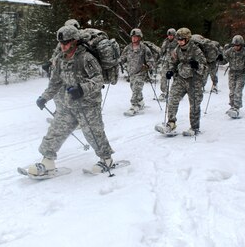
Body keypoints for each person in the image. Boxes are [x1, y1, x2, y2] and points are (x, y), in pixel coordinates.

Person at [27, 25, 115, 176]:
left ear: (75, 42)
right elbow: (55, 82)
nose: (63, 46)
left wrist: (82, 89)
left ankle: (106, 159)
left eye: (66, 42)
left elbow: (98, 80)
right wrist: (44, 97)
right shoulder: (60, 59)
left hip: (88, 104)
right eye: (61, 43)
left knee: (93, 133)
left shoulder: (86, 57)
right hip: (69, 104)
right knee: (55, 131)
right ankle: (47, 162)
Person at [157, 27, 206, 136]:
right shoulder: (177, 50)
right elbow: (173, 62)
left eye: (182, 39)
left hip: (194, 80)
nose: (179, 41)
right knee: (173, 99)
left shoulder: (196, 50)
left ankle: (194, 127)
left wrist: (197, 65)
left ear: (187, 39)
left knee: (194, 104)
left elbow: (205, 67)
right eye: (178, 39)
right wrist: (170, 71)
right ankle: (171, 123)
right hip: (180, 79)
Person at [217, 35, 245, 118]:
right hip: (232, 73)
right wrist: (219, 59)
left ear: (241, 45)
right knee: (232, 91)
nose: (236, 47)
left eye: (238, 45)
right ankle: (232, 106)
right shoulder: (229, 51)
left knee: (238, 90)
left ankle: (236, 107)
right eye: (234, 45)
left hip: (242, 73)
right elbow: (224, 61)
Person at [119, 28, 154, 116]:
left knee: (136, 88)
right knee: (133, 88)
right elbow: (123, 58)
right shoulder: (128, 48)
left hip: (140, 72)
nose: (134, 38)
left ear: (139, 37)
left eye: (136, 37)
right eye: (133, 37)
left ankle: (134, 106)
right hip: (131, 73)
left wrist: (147, 66)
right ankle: (140, 101)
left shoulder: (144, 48)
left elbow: (150, 60)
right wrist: (118, 62)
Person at [158, 28, 178, 101]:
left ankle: (175, 93)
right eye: (169, 35)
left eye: (171, 35)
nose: (170, 37)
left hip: (175, 63)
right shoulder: (166, 41)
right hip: (166, 62)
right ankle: (164, 92)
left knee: (176, 78)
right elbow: (162, 51)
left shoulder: (177, 42)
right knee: (163, 76)